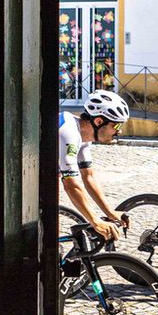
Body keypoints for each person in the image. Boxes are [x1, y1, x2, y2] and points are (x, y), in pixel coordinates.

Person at [59, 89, 132, 241]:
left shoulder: (84, 138)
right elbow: (71, 185)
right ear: (98, 121)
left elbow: (89, 177)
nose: (119, 131)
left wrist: (110, 212)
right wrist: (95, 221)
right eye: (116, 126)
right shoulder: (68, 133)